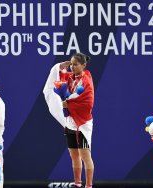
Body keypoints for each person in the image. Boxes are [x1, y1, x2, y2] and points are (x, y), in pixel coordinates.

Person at [43, 53, 95, 188]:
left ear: (83, 65)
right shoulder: (70, 78)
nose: (72, 67)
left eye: (75, 64)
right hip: (70, 122)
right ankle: (77, 182)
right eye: (71, 64)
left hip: (83, 123)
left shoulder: (87, 81)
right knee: (74, 155)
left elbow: (88, 104)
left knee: (85, 155)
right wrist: (60, 66)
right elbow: (55, 79)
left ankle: (89, 185)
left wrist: (68, 105)